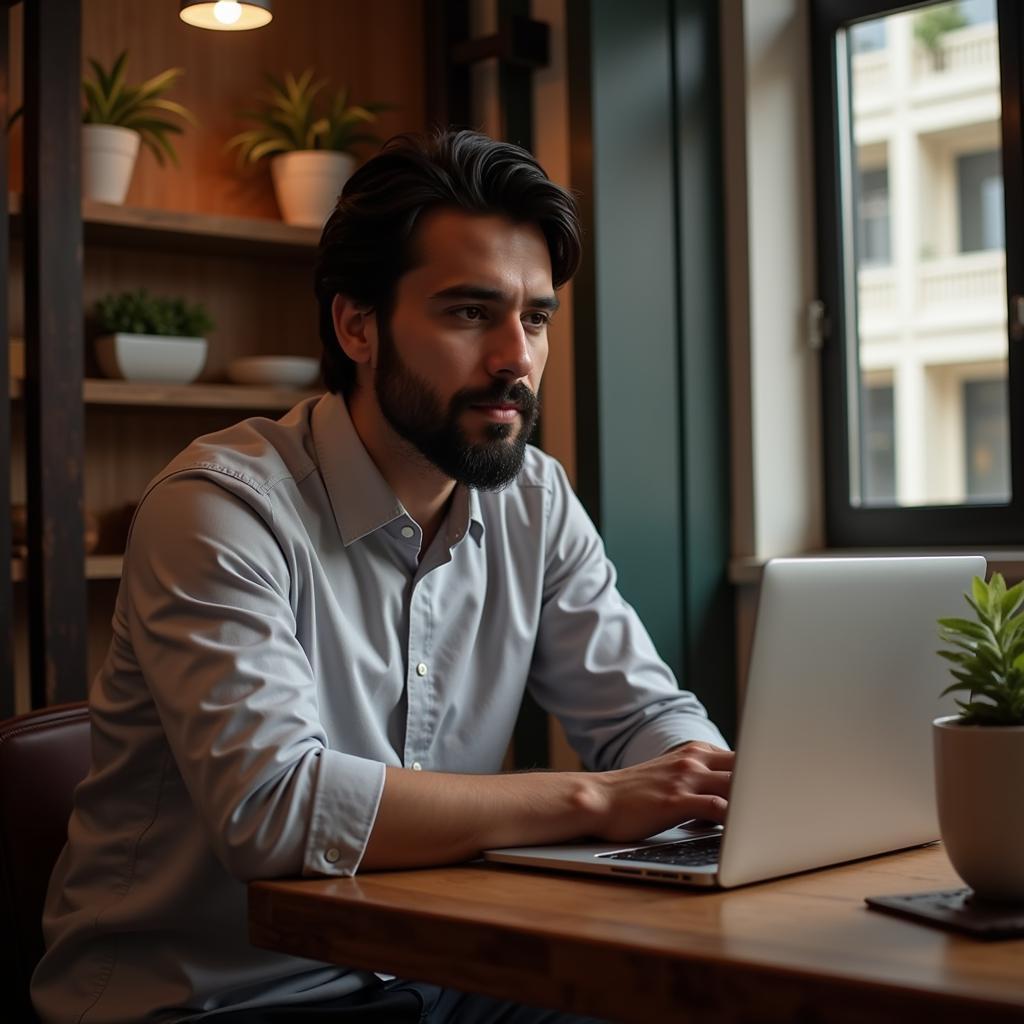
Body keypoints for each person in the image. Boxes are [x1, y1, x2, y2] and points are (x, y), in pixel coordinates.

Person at [31, 130, 733, 1024]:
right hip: (224, 997)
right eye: (470, 313)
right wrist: (600, 798)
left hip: (446, 970)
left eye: (536, 316)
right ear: (356, 324)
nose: (515, 358)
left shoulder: (536, 499)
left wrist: (702, 775)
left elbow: (639, 714)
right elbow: (274, 811)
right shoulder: (218, 508)